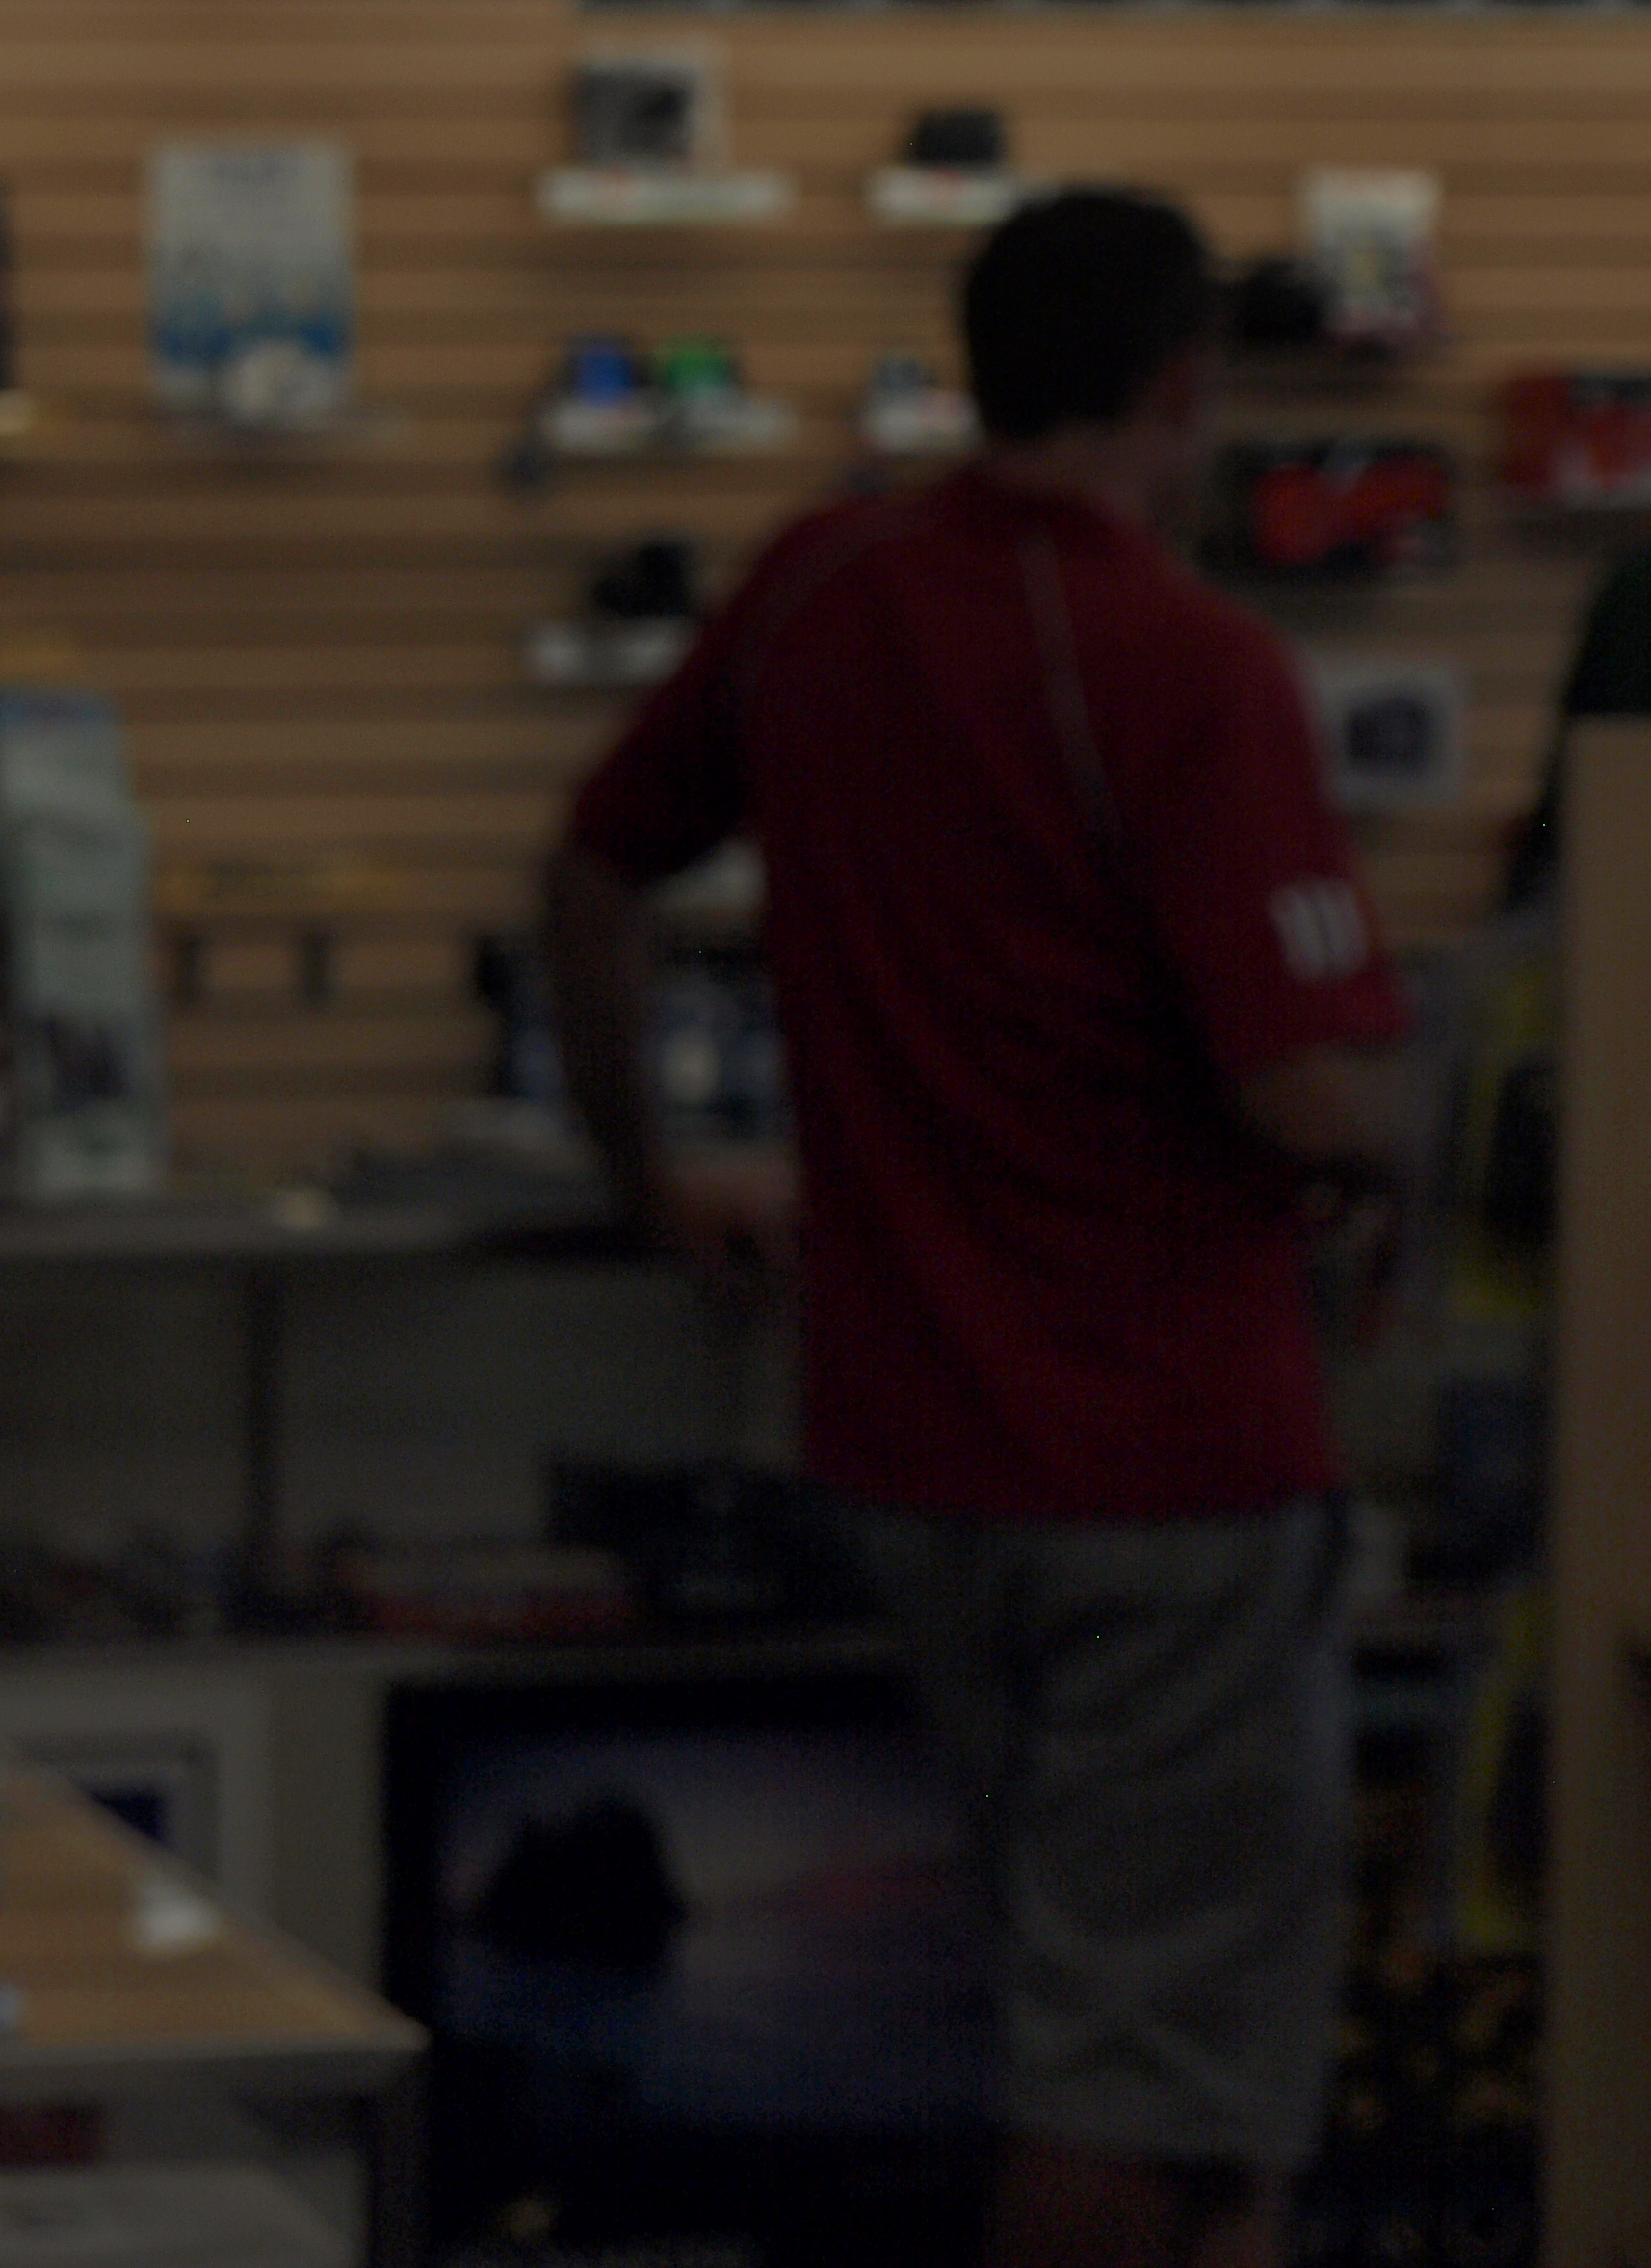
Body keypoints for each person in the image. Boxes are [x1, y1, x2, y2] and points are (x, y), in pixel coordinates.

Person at [541, 188, 1413, 2268]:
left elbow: (592, 874)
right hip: (1173, 1469)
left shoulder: (821, 587)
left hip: (917, 1454)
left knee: (1104, 2028)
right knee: (1141, 2096)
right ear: (1184, 386)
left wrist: (646, 1173)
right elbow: (1306, 1092)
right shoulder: (1196, 666)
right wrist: (1447, 1127)